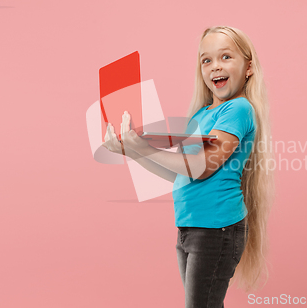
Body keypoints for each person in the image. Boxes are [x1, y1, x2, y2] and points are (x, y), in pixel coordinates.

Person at [102, 25, 275, 308]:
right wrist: (133, 151)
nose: (215, 66)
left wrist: (142, 146)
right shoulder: (202, 114)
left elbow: (202, 167)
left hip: (215, 230)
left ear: (248, 67)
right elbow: (179, 173)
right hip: (190, 228)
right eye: (206, 60)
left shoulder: (238, 109)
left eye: (226, 57)